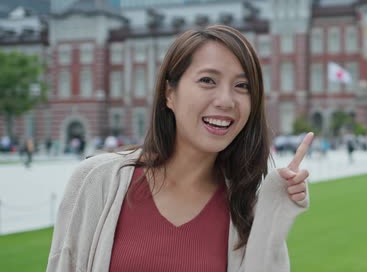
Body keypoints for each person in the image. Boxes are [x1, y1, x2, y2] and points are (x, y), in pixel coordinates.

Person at [47, 25, 313, 271]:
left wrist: (273, 212)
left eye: (242, 86)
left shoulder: (244, 205)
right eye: (208, 80)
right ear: (169, 94)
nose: (226, 100)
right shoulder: (97, 181)